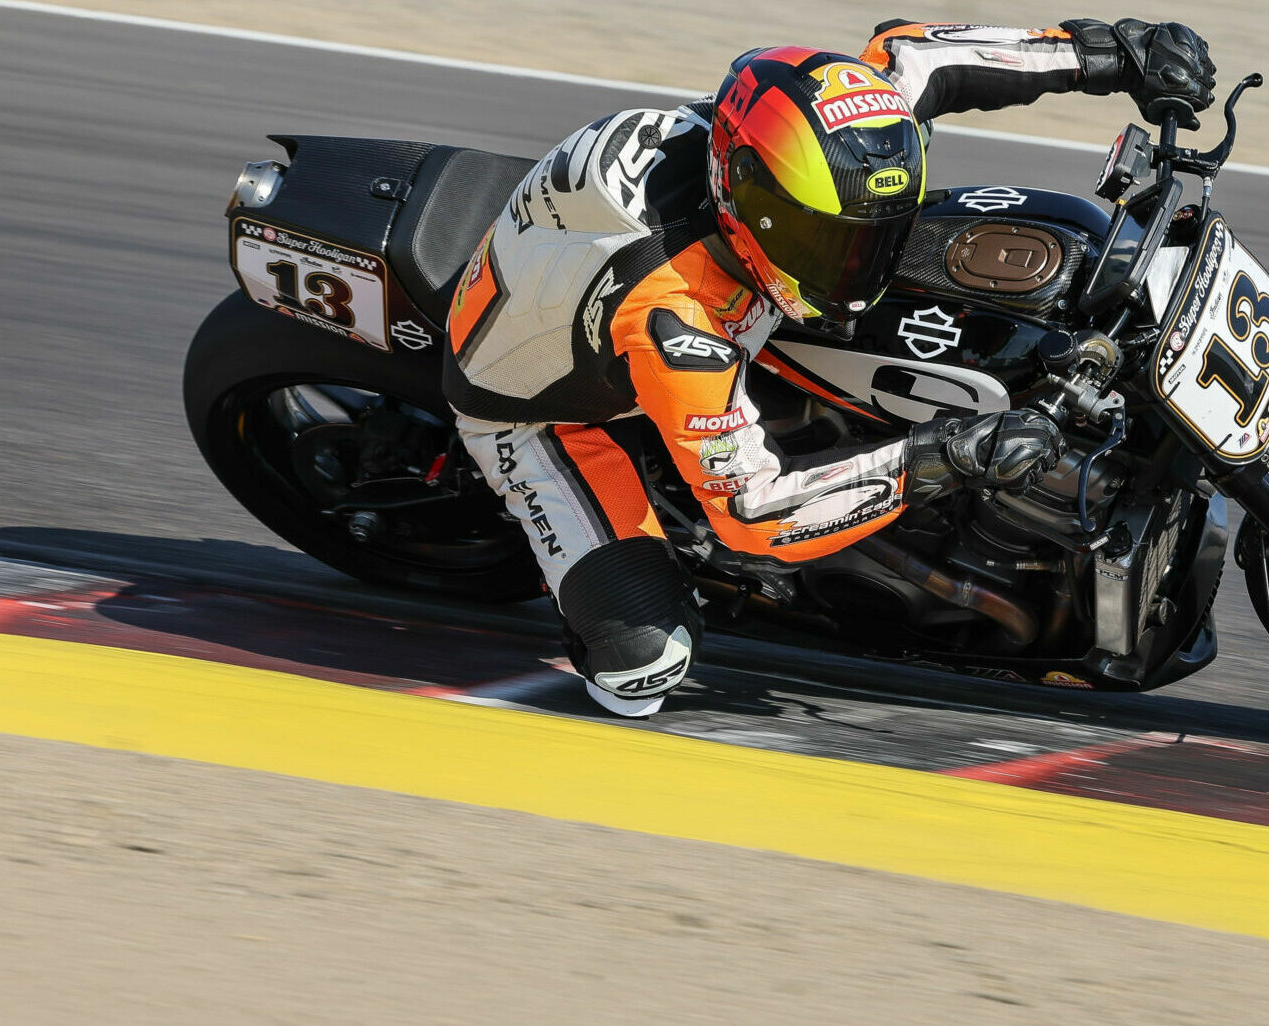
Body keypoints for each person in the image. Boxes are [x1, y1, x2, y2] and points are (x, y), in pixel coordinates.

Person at [443, 20, 1217, 716]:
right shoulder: (676, 321)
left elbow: (921, 55)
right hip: (550, 411)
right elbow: (755, 515)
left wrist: (1111, 53)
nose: (857, 267)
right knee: (644, 667)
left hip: (637, 281)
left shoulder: (821, 137)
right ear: (747, 199)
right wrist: (947, 456)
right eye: (828, 243)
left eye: (865, 239)